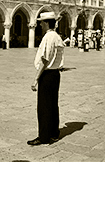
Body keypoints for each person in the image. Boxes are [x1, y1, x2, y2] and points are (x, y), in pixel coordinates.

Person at [28, 12, 64, 145]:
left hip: (47, 75)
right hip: (55, 74)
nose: (40, 24)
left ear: (47, 22)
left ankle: (44, 137)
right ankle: (54, 133)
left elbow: (44, 59)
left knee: (44, 107)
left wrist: (36, 79)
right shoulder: (57, 37)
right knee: (53, 105)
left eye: (42, 22)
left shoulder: (48, 37)